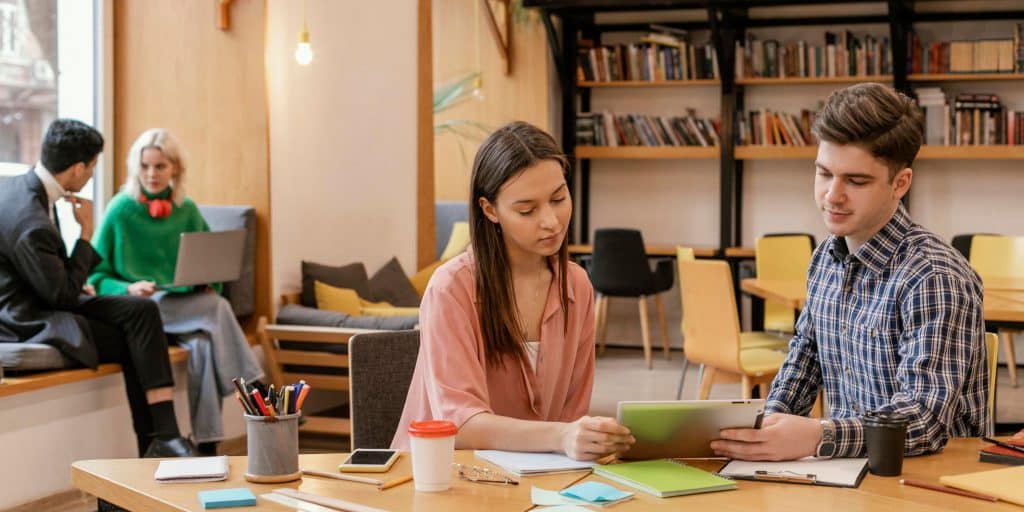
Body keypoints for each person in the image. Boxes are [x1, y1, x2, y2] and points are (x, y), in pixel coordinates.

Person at [711, 83, 988, 461]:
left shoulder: (933, 275)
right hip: (849, 468)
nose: (832, 195)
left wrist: (815, 435)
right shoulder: (826, 255)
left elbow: (925, 421)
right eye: (824, 174)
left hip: (929, 477)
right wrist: (764, 425)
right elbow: (804, 361)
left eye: (856, 181)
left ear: (900, 183)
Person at [391, 121, 634, 460]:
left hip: (539, 478)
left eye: (559, 198)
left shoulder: (575, 285)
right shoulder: (452, 289)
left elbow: (573, 414)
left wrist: (588, 439)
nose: (551, 220)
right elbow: (460, 424)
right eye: (527, 210)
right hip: (445, 477)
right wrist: (562, 436)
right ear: (490, 210)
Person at [0, 119, 195, 457]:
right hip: (25, 316)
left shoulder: (22, 187)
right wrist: (86, 234)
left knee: (143, 311)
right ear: (77, 168)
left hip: (46, 295)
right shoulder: (30, 219)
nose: (91, 175)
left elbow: (53, 279)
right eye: (91, 167)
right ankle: (158, 440)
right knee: (137, 336)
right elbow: (59, 295)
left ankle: (162, 439)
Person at [88, 128, 264, 454]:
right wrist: (129, 286)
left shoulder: (187, 209)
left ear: (175, 169)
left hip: (184, 305)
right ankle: (258, 392)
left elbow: (214, 265)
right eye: (145, 167)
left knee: (203, 347)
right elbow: (94, 275)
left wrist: (206, 281)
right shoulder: (119, 209)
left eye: (160, 166)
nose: (151, 174)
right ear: (135, 168)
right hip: (143, 309)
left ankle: (208, 443)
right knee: (215, 307)